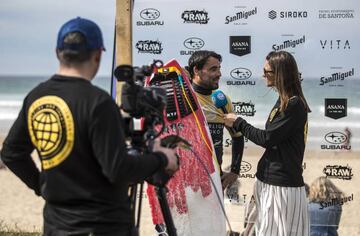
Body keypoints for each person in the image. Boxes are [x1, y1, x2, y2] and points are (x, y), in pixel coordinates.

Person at [0, 17, 179, 236]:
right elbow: (118, 169)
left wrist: (42, 186)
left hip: (56, 224)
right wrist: (162, 158)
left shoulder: (36, 96)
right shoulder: (98, 102)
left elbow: (11, 153)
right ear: (97, 55)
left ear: (58, 52)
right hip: (103, 225)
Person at [224, 50, 311, 236]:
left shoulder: (294, 104)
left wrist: (239, 122)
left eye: (267, 72)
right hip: (268, 181)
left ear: (281, 73)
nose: (263, 75)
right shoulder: (284, 101)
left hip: (282, 186)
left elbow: (267, 138)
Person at [186, 50, 245, 192]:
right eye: (213, 69)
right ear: (196, 70)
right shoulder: (183, 98)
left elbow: (237, 137)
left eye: (219, 69)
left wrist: (234, 172)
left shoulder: (222, 101)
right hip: (186, 181)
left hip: (214, 180)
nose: (219, 74)